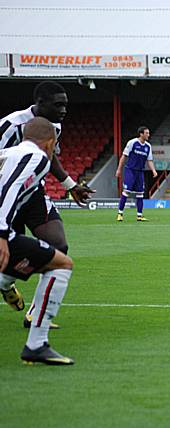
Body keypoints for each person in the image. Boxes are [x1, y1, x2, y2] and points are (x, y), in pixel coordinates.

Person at [0, 81, 93, 330]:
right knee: (8, 250)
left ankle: (34, 313)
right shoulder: (10, 126)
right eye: (58, 104)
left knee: (59, 245)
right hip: (5, 196)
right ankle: (6, 283)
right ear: (39, 104)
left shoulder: (55, 126)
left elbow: (50, 157)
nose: (64, 110)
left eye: (66, 104)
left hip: (33, 193)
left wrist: (71, 186)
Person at [0, 117, 75, 365]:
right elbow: (9, 189)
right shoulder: (37, 157)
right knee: (62, 264)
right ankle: (36, 344)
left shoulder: (7, 152)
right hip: (1, 230)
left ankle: (4, 281)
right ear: (50, 142)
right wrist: (2, 234)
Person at [115, 126, 158, 222]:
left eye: (148, 133)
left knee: (140, 194)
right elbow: (124, 156)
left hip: (140, 172)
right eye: (146, 133)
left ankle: (139, 216)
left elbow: (149, 160)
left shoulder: (148, 146)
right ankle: (120, 213)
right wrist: (119, 170)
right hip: (130, 170)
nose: (148, 135)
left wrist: (154, 170)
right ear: (141, 134)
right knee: (127, 191)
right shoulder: (132, 143)